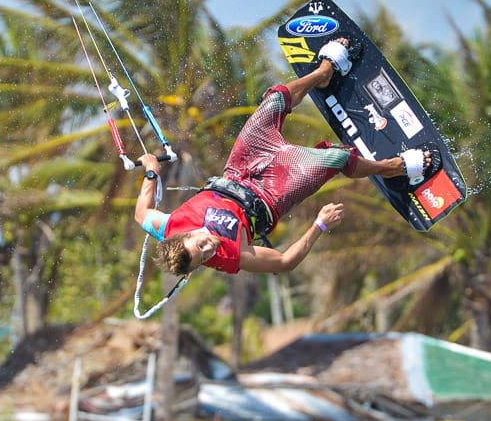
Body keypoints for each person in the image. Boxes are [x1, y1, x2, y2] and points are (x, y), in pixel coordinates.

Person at [135, 38, 434, 276]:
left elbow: (141, 213)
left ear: (183, 235)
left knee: (275, 99)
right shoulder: (229, 257)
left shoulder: (169, 225)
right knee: (335, 159)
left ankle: (323, 73)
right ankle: (393, 167)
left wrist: (150, 173)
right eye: (206, 257)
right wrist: (320, 224)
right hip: (270, 195)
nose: (210, 247)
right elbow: (284, 262)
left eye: (201, 245)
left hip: (238, 168)